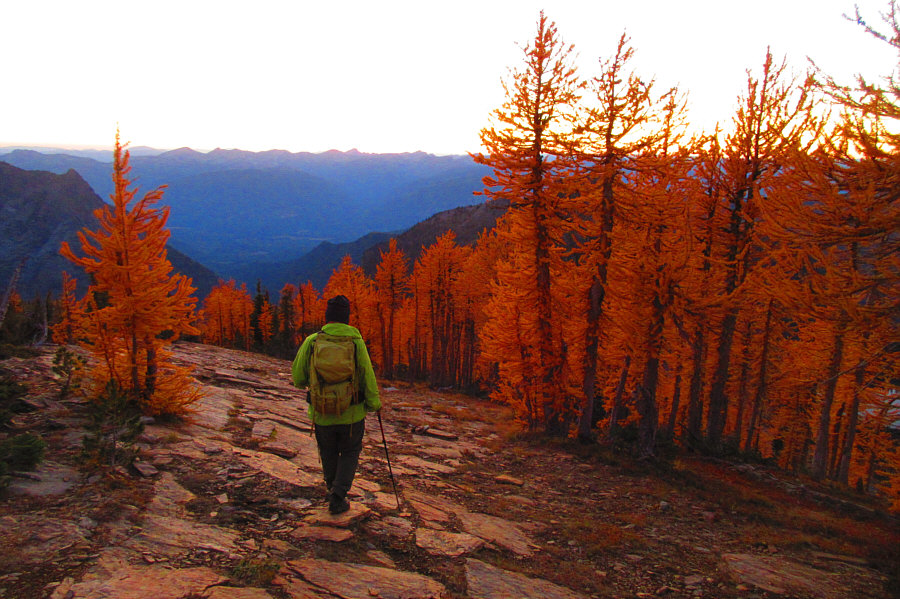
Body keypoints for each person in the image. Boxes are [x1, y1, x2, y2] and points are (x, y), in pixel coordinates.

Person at [291, 295, 381, 514]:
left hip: (322, 412)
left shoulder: (313, 341)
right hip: (352, 414)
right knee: (350, 451)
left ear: (328, 317)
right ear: (346, 318)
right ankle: (339, 494)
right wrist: (373, 403)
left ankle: (332, 489)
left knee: (328, 451)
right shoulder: (356, 342)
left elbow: (297, 377)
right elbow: (367, 374)